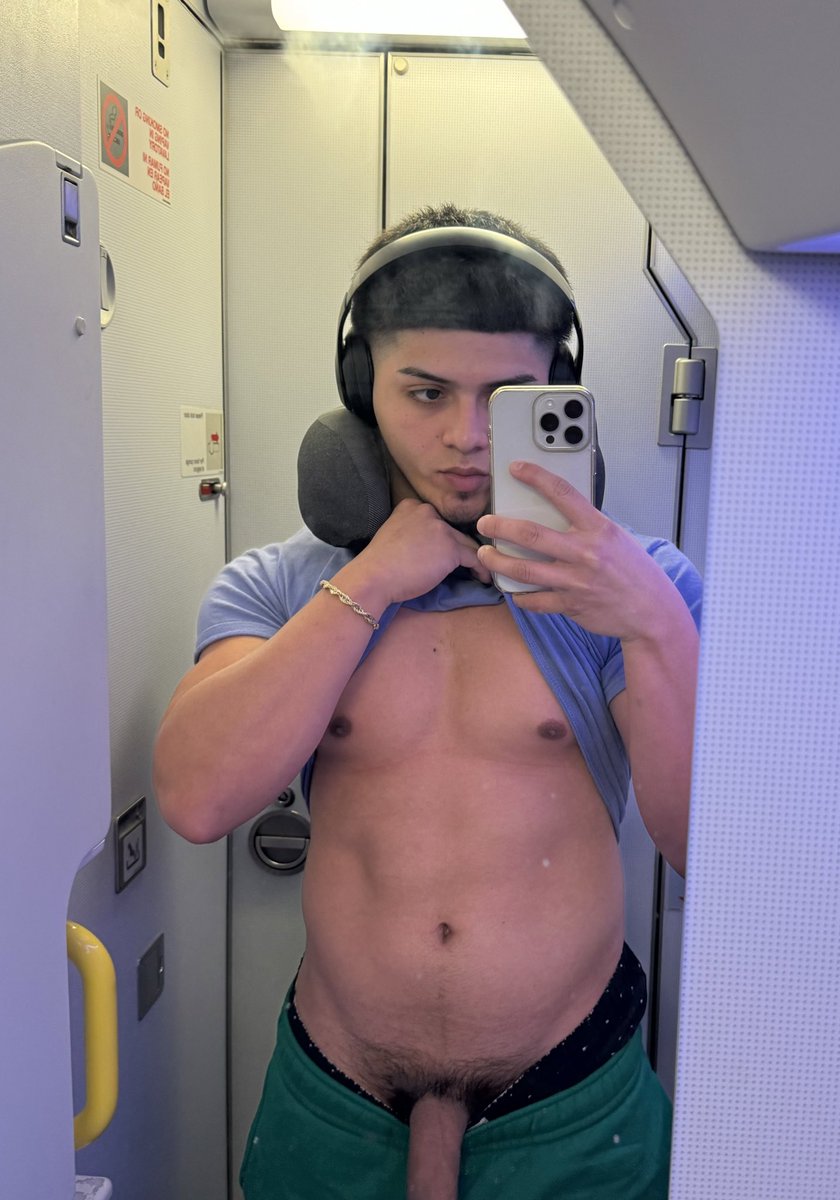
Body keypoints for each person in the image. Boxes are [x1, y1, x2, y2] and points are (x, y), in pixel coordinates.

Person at [153, 203, 701, 1200]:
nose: (465, 436)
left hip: (572, 1107)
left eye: (506, 397)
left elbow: (701, 845)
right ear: (363, 389)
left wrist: (655, 624)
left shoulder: (637, 588)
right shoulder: (279, 587)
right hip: (338, 1101)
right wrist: (369, 582)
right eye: (426, 392)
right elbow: (197, 799)